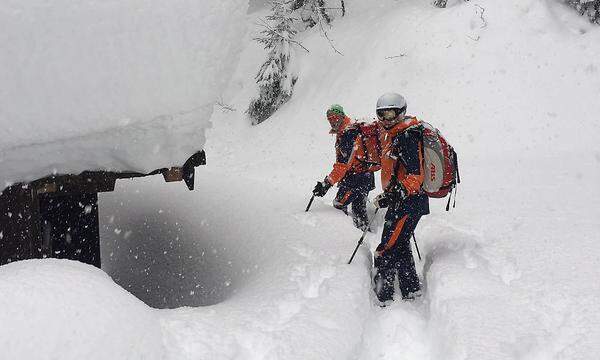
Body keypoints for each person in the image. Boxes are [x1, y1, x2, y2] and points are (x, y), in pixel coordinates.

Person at [371, 93, 430, 303]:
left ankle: (383, 294)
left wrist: (396, 194)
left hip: (408, 203)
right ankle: (410, 288)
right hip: (404, 201)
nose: (386, 120)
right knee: (401, 243)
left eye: (391, 114)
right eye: (382, 115)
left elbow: (416, 175)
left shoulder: (407, 136)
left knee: (387, 247)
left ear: (401, 112)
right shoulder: (396, 133)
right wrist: (390, 195)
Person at [313, 104, 377, 231]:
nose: (332, 121)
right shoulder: (347, 130)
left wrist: (327, 183)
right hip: (365, 177)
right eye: (329, 118)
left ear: (342, 116)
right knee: (359, 209)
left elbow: (342, 166)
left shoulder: (348, 134)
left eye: (335, 117)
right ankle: (364, 236)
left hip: (355, 179)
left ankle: (342, 235)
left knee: (339, 204)